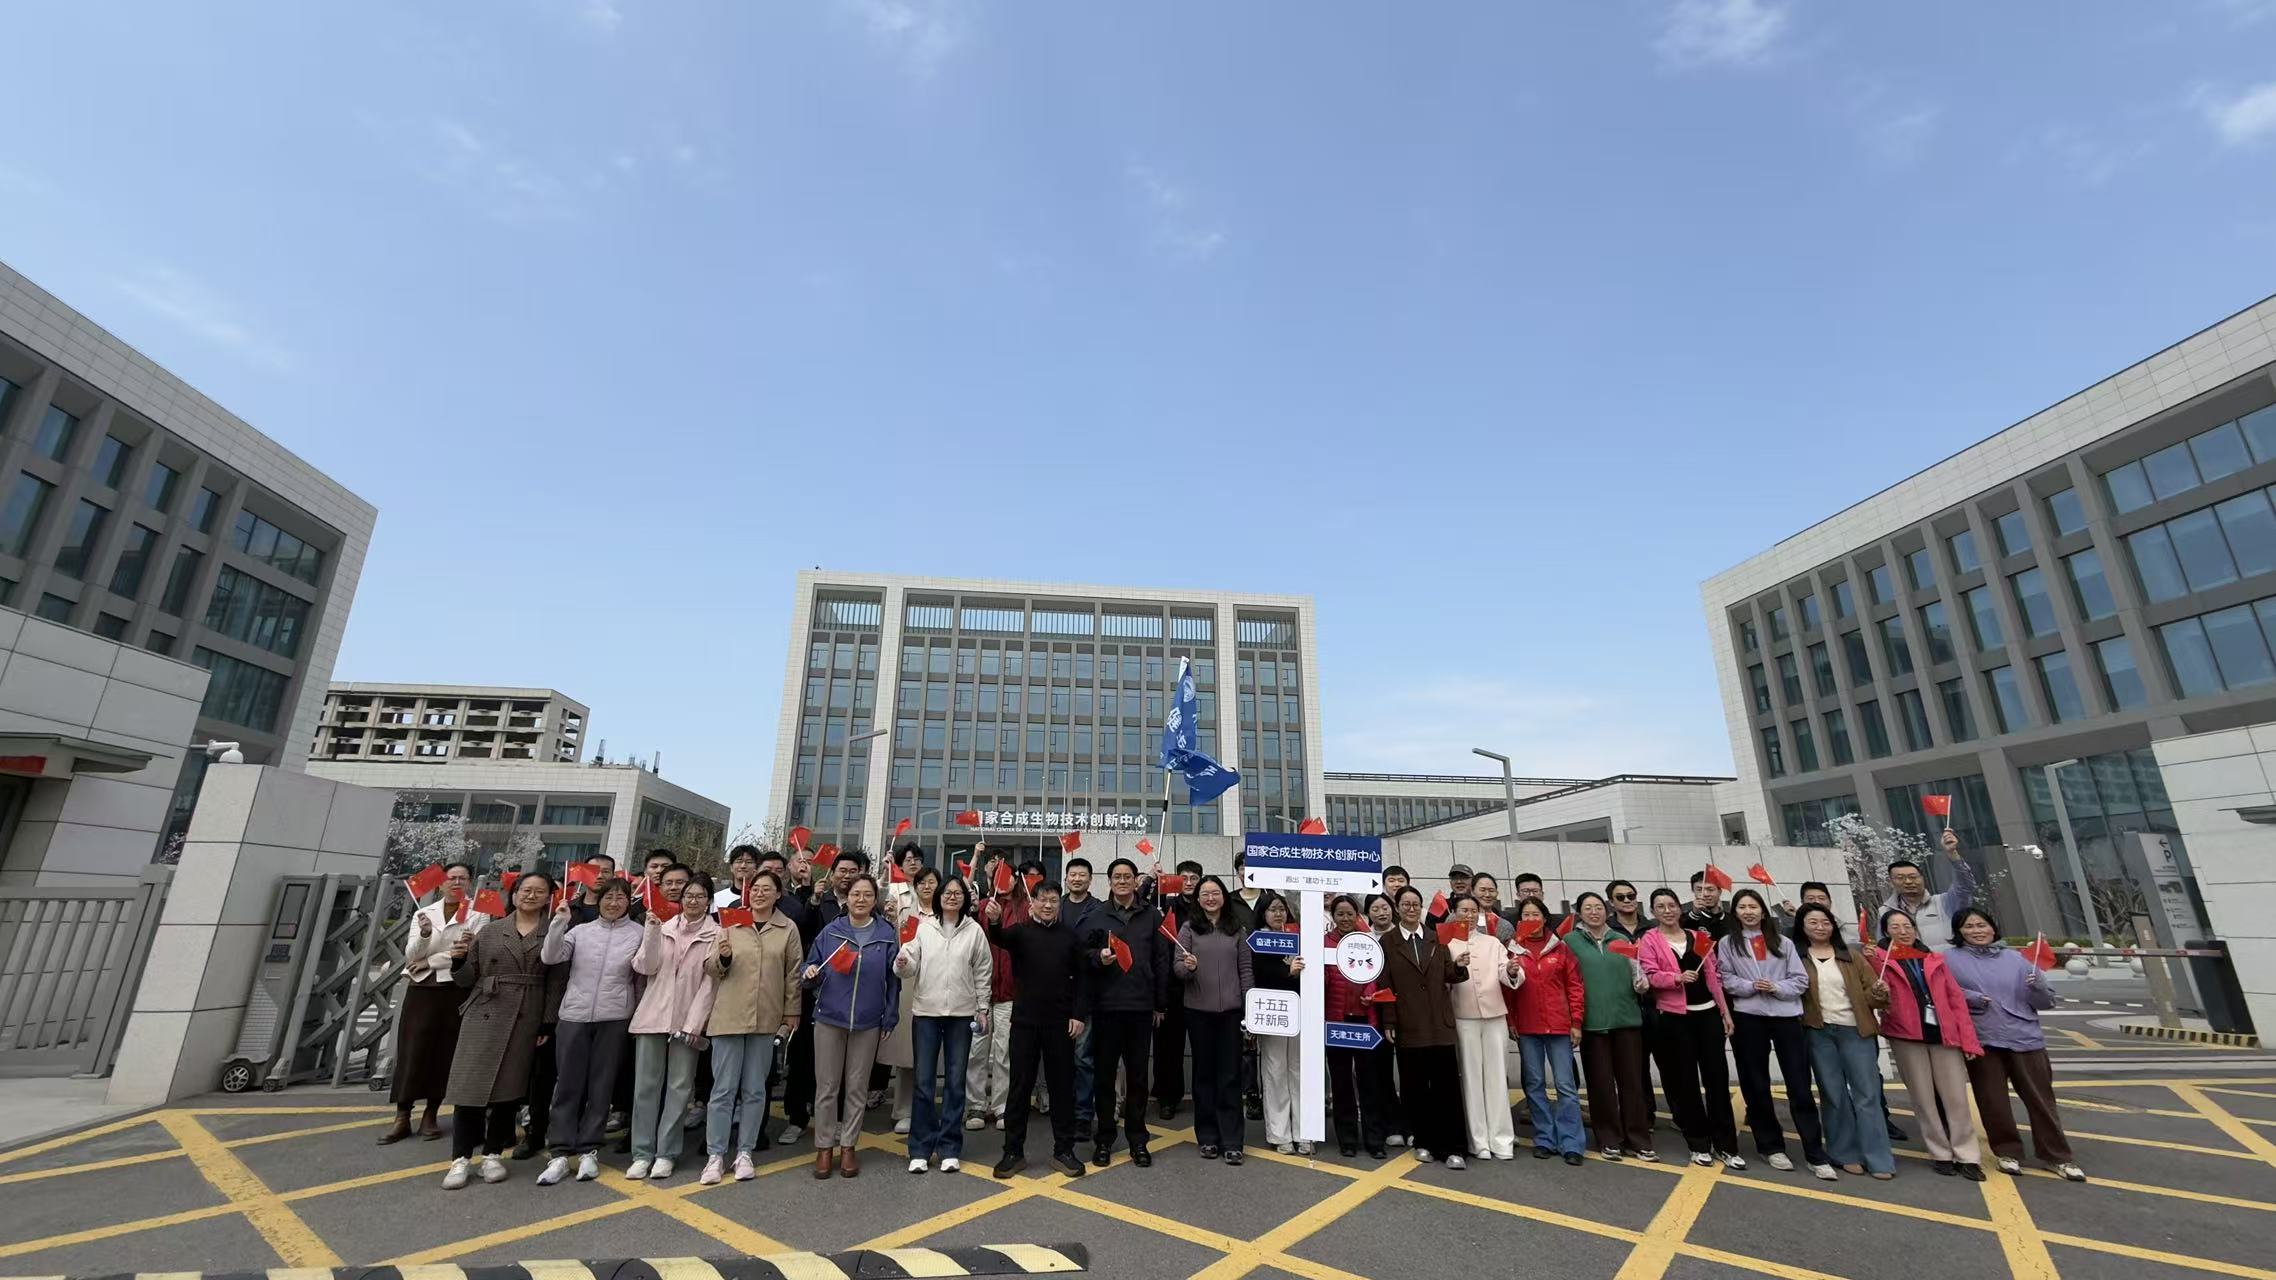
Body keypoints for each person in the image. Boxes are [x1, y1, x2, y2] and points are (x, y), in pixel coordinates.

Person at [1944, 907, 2087, 1182]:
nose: (1977, 931)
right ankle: (2007, 1151)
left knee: (2040, 1099)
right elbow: (1942, 991)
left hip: (2025, 1036)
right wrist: (1971, 997)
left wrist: (2038, 989)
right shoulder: (1950, 959)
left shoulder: (2017, 959)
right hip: (1983, 1037)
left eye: (1982, 925)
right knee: (1992, 1100)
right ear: (1958, 931)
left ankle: (2057, 1156)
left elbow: (2046, 1002)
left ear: (1993, 927)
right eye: (1969, 926)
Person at [441, 871, 558, 1190]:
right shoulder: (490, 930)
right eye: (525, 890)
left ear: (549, 897)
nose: (531, 895)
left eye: (539, 891)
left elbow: (555, 982)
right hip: (486, 1011)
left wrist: (547, 1021)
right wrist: (458, 961)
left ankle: (492, 1154)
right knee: (470, 1087)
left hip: (527, 1013)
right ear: (514, 894)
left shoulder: (553, 932)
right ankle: (460, 1157)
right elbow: (467, 978)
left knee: (509, 1087)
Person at [1718, 888, 1833, 1179]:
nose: (1748, 912)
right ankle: (1770, 1146)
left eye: (1753, 906)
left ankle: (1814, 1152)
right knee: (1756, 1084)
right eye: (1742, 907)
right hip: (1748, 1017)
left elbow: (1800, 980)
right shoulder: (1728, 944)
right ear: (1735, 913)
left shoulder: (1783, 942)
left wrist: (1777, 988)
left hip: (1786, 1017)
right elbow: (1725, 978)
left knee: (1799, 1085)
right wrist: (1749, 986)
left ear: (1763, 911)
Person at [535, 875, 642, 1184]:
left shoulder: (638, 933)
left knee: (601, 1085)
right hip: (574, 1014)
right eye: (608, 897)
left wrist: (652, 932)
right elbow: (550, 956)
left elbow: (645, 967)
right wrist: (559, 923)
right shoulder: (580, 931)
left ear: (629, 902)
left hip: (615, 1016)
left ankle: (589, 1149)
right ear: (599, 900)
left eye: (620, 897)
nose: (613, 903)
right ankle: (559, 1151)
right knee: (567, 1083)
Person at [984, 880, 1093, 1178]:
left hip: (1061, 1023)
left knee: (1062, 1087)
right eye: (1042, 899)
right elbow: (998, 936)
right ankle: (1013, 1151)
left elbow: (1083, 978)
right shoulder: (1020, 932)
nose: (1047, 905)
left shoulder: (1070, 936)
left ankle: (1064, 1150)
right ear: (1032, 903)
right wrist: (994, 919)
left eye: (1053, 900)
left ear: (1059, 904)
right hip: (1024, 1022)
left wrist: (1078, 1014)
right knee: (1019, 1086)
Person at [700, 868, 801, 1185]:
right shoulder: (730, 923)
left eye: (767, 889)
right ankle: (715, 1154)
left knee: (755, 1090)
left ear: (778, 894)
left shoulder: (787, 928)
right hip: (729, 1016)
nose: (759, 893)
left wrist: (791, 1012)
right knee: (723, 1090)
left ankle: (745, 1152)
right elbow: (709, 967)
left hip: (765, 1018)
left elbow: (793, 974)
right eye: (755, 888)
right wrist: (723, 958)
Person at [802, 873, 901, 1179]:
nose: (861, 899)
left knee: (857, 1088)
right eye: (856, 894)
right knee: (827, 1087)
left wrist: (890, 1015)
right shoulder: (832, 931)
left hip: (868, 1021)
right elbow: (810, 965)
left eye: (867, 895)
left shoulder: (886, 934)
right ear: (847, 898)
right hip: (830, 1017)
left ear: (875, 900)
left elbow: (894, 981)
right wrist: (810, 972)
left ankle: (848, 1146)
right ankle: (824, 1147)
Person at [624, 873, 720, 1181]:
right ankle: (642, 1153)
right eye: (688, 895)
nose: (693, 901)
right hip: (653, 1015)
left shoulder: (717, 934)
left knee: (679, 1089)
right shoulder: (662, 927)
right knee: (645, 1088)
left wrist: (693, 1024)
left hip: (687, 1022)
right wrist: (652, 932)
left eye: (700, 896)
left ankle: (666, 1152)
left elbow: (710, 985)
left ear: (709, 901)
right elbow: (645, 967)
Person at [1878, 906, 1985, 1180]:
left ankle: (1967, 1155)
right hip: (1907, 1036)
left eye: (1907, 926)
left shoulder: (1933, 959)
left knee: (1956, 1098)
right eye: (1895, 927)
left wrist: (1969, 1041)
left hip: (1943, 1035)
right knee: (1923, 1099)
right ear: (1885, 932)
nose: (1903, 932)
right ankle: (1940, 1152)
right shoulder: (1880, 959)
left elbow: (1955, 1000)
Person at [896, 874, 993, 1174]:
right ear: (938, 897)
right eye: (947, 892)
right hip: (926, 1013)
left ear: (965, 898)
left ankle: (950, 1147)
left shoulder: (974, 930)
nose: (952, 897)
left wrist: (982, 1008)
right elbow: (909, 963)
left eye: (957, 893)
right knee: (924, 1083)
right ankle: (920, 1149)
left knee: (955, 1082)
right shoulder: (924, 928)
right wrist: (902, 963)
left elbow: (983, 971)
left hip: (961, 1015)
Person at [1639, 887, 1740, 1168]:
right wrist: (1676, 978)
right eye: (1660, 906)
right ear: (1653, 911)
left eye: (1671, 905)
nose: (1667, 911)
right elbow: (1650, 976)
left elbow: (1713, 976)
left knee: (1717, 1080)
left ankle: (1727, 1146)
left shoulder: (1699, 937)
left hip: (1708, 1015)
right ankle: (1699, 1144)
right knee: (1686, 1082)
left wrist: (1724, 1011)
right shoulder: (1650, 940)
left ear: (1679, 908)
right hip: (1675, 1018)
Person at [1795, 903, 1894, 1180]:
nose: (1820, 927)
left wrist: (1880, 993)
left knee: (1867, 1094)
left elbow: (1872, 995)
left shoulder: (1852, 956)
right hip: (1818, 1032)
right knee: (1833, 1093)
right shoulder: (1797, 958)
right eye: (1813, 922)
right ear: (1802, 927)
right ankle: (1844, 1152)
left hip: (1855, 1030)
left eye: (1825, 922)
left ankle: (1879, 1157)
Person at [386, 862, 481, 1144]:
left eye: (462, 878)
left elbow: (468, 951)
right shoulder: (424, 913)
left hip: (454, 987)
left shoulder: (477, 914)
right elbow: (411, 954)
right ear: (441, 883)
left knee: (444, 1051)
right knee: (412, 1049)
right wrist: (426, 934)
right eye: (451, 878)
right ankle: (402, 1114)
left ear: (469, 883)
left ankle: (431, 1113)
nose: (456, 882)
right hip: (422, 987)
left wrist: (430, 960)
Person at [1089, 858, 1172, 1167]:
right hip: (1106, 1007)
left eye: (1127, 876)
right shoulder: (1098, 915)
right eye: (1117, 877)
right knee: (1104, 1077)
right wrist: (1098, 957)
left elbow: (1161, 960)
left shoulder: (1151, 916)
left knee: (1138, 1078)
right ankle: (1104, 1139)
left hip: (1140, 1007)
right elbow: (1084, 953)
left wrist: (1159, 1004)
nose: (1122, 881)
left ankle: (1138, 1140)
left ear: (1137, 881)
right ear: (1109, 881)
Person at [1381, 885, 1468, 1168]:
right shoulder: (1388, 942)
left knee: (1447, 1087)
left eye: (1415, 904)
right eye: (1405, 904)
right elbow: (1385, 984)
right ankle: (1424, 1141)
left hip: (1439, 1023)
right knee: (1415, 1088)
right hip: (1408, 1024)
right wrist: (1389, 1020)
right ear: (1397, 908)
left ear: (1421, 908)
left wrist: (1458, 966)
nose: (1411, 908)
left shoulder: (1436, 936)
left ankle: (1454, 1147)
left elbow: (1449, 974)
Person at [1568, 891, 1654, 1161]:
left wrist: (1642, 983)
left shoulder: (1621, 939)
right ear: (1579, 913)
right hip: (1592, 1023)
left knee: (1632, 1083)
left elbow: (1637, 974)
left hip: (1626, 1020)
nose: (1594, 912)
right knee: (1600, 1084)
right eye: (1588, 908)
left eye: (1598, 907)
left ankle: (1638, 1140)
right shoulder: (1570, 942)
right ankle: (1609, 1139)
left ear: (1607, 911)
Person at [1176, 876, 1256, 1163]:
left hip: (1231, 1014)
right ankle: (1208, 1137)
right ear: (1198, 899)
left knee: (1230, 1076)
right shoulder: (1188, 929)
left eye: (1215, 893)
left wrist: (1249, 1009)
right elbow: (1177, 969)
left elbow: (1246, 970)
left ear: (1224, 897)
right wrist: (1188, 967)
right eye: (1205, 894)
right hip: (1198, 1012)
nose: (1210, 898)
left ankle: (1232, 1140)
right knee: (1204, 1076)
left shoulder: (1237, 929)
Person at [1508, 897, 1585, 1165]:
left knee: (1565, 1085)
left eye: (1536, 914)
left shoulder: (1560, 948)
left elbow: (1574, 986)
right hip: (1528, 1027)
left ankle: (1571, 1142)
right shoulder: (1513, 950)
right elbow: (1507, 991)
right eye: (1526, 915)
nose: (1531, 919)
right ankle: (1544, 1138)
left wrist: (1576, 1022)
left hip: (1559, 1026)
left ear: (1544, 918)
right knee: (1534, 1084)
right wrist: (1511, 1021)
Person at [1446, 894, 1521, 1161]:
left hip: (1494, 1016)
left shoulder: (1492, 943)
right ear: (1454, 913)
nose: (1468, 915)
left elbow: (1505, 971)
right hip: (1463, 1016)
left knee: (1497, 1076)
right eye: (1463, 910)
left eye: (1472, 911)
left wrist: (1511, 970)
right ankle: (1478, 1141)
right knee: (1471, 1078)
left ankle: (1502, 1140)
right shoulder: (1447, 944)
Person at [1323, 895, 1389, 1159]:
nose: (1345, 918)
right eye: (1340, 914)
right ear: (1333, 916)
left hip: (1365, 1020)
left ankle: (1375, 1139)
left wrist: (1370, 993)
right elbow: (1321, 978)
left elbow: (1376, 973)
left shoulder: (1368, 940)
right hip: (1336, 1020)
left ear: (1357, 915)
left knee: (1369, 1082)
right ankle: (1347, 1138)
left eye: (1350, 913)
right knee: (1341, 1084)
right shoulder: (1324, 943)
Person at [880, 864, 938, 1136]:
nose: (927, 886)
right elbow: (894, 946)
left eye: (932, 882)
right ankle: (903, 1110)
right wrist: (893, 922)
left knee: (930, 1053)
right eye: (922, 882)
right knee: (907, 1053)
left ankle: (925, 1109)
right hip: (908, 986)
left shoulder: (945, 914)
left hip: (937, 987)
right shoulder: (905, 913)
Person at [1251, 894, 1308, 1154]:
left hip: (1300, 1010)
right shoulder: (1258, 939)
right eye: (1272, 909)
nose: (1278, 914)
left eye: (1282, 909)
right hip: (1272, 1011)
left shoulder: (1296, 937)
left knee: (1299, 1069)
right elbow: (1258, 972)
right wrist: (1288, 972)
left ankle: (1304, 1130)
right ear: (1262, 913)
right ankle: (1279, 1132)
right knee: (1275, 1071)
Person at [1151, 859, 1199, 1123]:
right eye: (1184, 878)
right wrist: (1153, 880)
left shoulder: (1208, 907)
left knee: (1203, 1047)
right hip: (1171, 987)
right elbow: (1144, 903)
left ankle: (1204, 1097)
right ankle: (1167, 1098)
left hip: (1202, 986)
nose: (1189, 883)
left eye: (1194, 878)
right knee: (1168, 1048)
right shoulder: (1166, 906)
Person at [966, 894, 1018, 1134]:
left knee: (1004, 1052)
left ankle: (1001, 1106)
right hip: (980, 992)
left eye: (1008, 876)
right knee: (977, 1051)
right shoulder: (981, 907)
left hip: (1010, 992)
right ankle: (975, 1105)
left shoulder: (1024, 907)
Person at [1882, 828, 1976, 951]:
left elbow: (1965, 885)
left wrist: (1952, 854)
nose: (1908, 881)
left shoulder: (1944, 902)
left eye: (1913, 877)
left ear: (1922, 878)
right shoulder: (1885, 911)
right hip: (1911, 963)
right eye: (1900, 878)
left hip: (1948, 962)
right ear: (1891, 882)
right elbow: (1883, 947)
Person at [1468, 874, 1515, 943]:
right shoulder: (1459, 918)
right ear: (1472, 892)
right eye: (1482, 890)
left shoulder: (1504, 925)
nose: (1487, 895)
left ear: (1497, 893)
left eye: (1491, 890)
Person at [713, 845, 764, 911]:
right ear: (731, 867)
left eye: (749, 862)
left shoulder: (762, 898)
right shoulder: (717, 898)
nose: (743, 866)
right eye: (739, 861)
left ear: (757, 867)